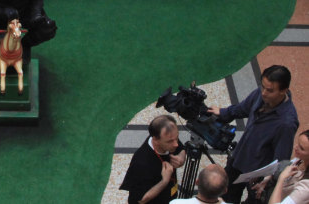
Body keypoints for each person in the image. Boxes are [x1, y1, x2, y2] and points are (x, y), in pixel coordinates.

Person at [208, 65, 298, 203]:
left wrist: (269, 181)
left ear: (284, 91)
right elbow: (242, 108)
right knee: (224, 197)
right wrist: (223, 112)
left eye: (270, 90)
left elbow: (281, 159)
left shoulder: (286, 123)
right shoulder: (261, 94)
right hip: (239, 159)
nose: (264, 93)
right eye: (262, 86)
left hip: (258, 176)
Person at [120, 114, 187, 204]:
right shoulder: (141, 163)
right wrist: (164, 181)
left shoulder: (169, 137)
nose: (176, 144)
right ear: (155, 140)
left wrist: (181, 157)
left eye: (177, 138)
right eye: (170, 141)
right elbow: (140, 200)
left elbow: (181, 149)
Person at [268, 129, 309, 204]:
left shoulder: (305, 188)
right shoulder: (301, 159)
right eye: (297, 143)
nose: (295, 148)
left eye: (301, 148)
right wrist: (267, 178)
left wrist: (281, 178)